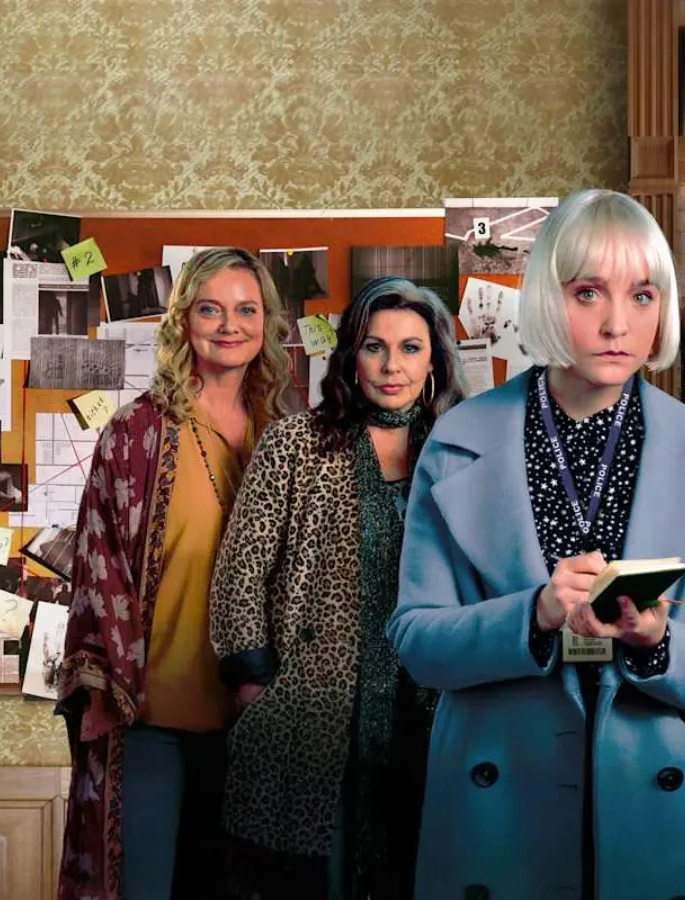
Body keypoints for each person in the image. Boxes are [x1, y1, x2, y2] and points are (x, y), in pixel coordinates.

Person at [385, 188, 685, 900]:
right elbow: (415, 641)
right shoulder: (458, 439)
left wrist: (659, 642)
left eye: (643, 294)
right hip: (502, 800)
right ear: (545, 299)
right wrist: (532, 614)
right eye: (589, 292)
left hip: (666, 813)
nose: (619, 322)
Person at [207, 275, 466, 899]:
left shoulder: (458, 455)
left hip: (424, 705)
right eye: (375, 346)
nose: (391, 365)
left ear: (434, 359)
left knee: (414, 869)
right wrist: (254, 684)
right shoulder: (297, 443)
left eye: (410, 348)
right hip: (307, 708)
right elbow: (240, 568)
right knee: (305, 878)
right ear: (351, 354)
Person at [55, 247, 296, 900]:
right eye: (210, 309)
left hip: (260, 722)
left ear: (267, 321)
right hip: (151, 716)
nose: (229, 325)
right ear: (183, 320)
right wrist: (111, 681)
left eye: (246, 309)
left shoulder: (289, 434)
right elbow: (97, 562)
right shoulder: (136, 433)